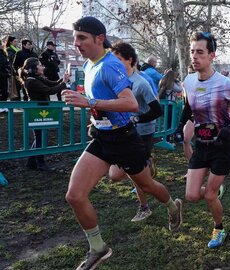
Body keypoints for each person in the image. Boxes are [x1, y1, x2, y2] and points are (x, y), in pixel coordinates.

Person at [62, 16, 182, 269]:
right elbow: (104, 102)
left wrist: (90, 103)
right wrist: (94, 114)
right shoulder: (89, 64)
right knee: (75, 195)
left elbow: (131, 104)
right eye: (75, 38)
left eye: (81, 38)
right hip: (102, 138)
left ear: (99, 38)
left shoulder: (111, 65)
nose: (76, 43)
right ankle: (98, 248)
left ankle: (172, 206)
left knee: (147, 186)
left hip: (125, 139)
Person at [178, 31, 230, 248]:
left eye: (200, 52)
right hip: (202, 144)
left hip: (222, 147)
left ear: (212, 56)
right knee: (191, 195)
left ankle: (219, 228)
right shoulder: (188, 82)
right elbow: (188, 108)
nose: (195, 57)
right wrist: (179, 127)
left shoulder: (225, 84)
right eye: (192, 52)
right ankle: (217, 190)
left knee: (209, 195)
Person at [109, 41, 163, 222]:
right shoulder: (115, 80)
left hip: (142, 132)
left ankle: (144, 208)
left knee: (137, 175)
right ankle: (147, 163)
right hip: (120, 131)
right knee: (115, 175)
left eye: (118, 59)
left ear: (130, 60)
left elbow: (158, 111)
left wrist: (137, 119)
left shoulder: (141, 83)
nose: (114, 63)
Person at [19, 57, 69, 171]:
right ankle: (40, 163)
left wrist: (63, 79)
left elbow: (52, 84)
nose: (43, 67)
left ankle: (31, 161)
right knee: (39, 137)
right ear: (34, 68)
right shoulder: (31, 81)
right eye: (40, 65)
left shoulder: (37, 78)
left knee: (39, 136)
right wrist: (64, 83)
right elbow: (50, 90)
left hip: (41, 111)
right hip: (36, 112)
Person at [3, 36, 20, 101]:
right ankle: (15, 102)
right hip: (12, 71)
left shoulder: (17, 49)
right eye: (15, 41)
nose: (16, 43)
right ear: (11, 42)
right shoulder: (9, 49)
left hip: (18, 70)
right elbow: (12, 58)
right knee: (14, 88)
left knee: (18, 87)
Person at [0, 38, 11, 107]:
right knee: (1, 91)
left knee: (4, 91)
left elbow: (6, 64)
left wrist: (8, 71)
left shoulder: (3, 53)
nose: (2, 45)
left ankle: (3, 105)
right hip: (1, 75)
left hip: (4, 76)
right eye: (0, 44)